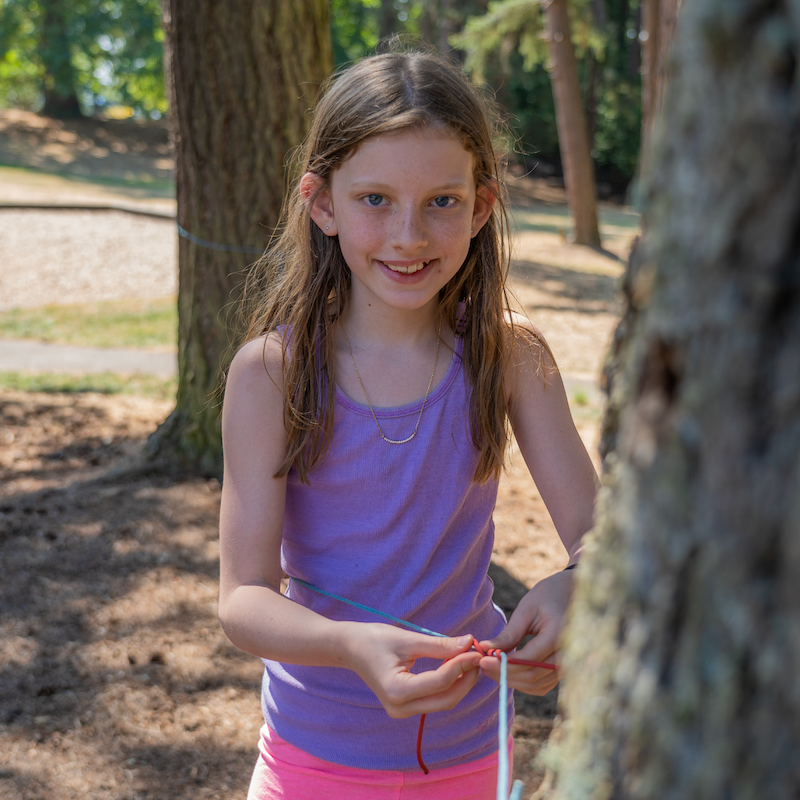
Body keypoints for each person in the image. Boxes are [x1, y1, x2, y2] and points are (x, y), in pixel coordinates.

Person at [218, 47, 598, 800]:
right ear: (322, 203)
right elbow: (244, 599)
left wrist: (574, 586)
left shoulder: (512, 356)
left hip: (473, 754)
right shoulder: (271, 373)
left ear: (482, 205)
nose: (409, 235)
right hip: (313, 758)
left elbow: (605, 536)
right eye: (376, 200)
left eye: (442, 202)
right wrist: (347, 646)